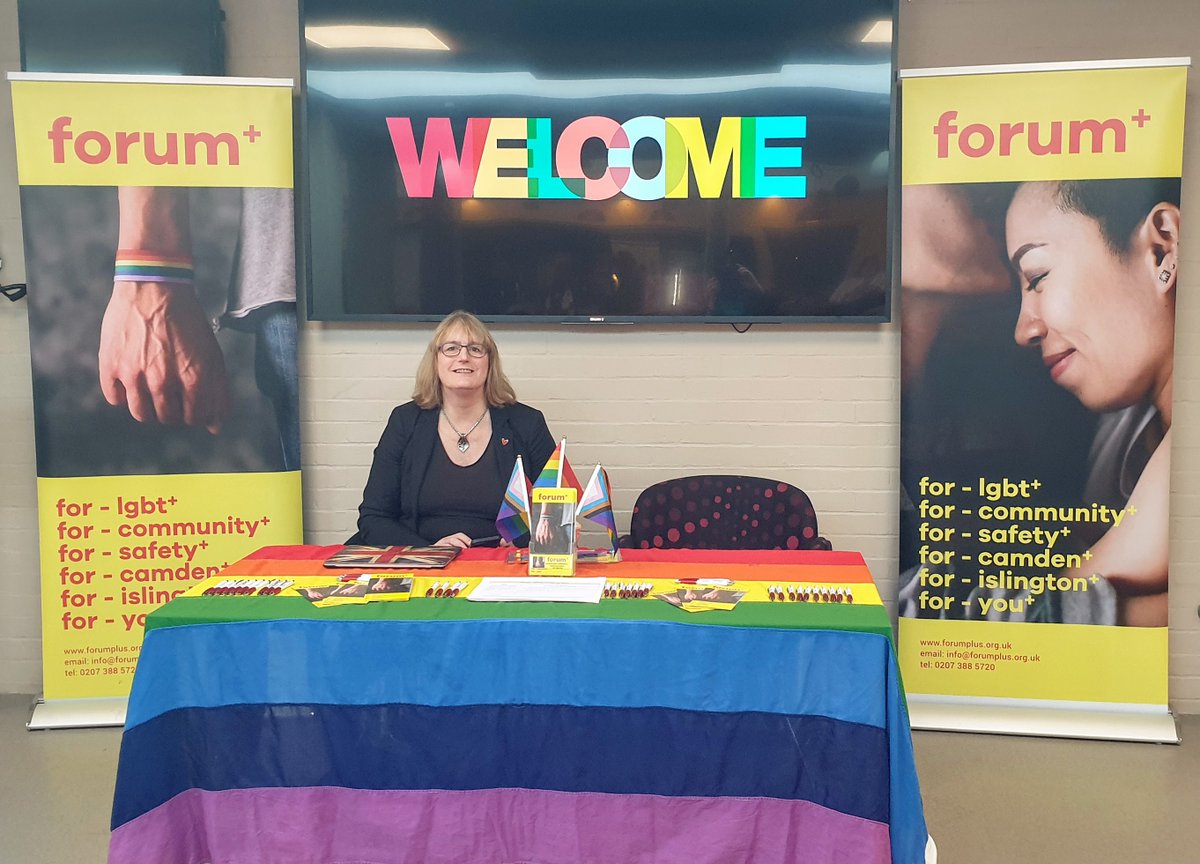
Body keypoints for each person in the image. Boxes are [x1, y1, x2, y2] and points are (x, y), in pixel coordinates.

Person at [1007, 178, 1180, 626]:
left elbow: (1049, 619)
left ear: (1163, 250)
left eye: (1038, 277)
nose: (1023, 330)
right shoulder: (1121, 434)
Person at [353, 310, 556, 548]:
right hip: (422, 561)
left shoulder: (527, 423)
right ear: (435, 361)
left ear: (489, 362)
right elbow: (374, 518)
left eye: (475, 349)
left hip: (501, 564)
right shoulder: (405, 421)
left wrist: (523, 541)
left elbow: (555, 511)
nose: (463, 357)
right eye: (451, 348)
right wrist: (428, 551)